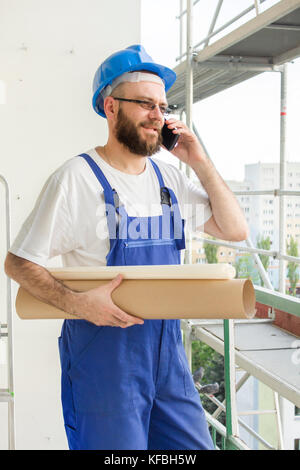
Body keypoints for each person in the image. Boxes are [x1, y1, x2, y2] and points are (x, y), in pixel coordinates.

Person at [4, 44, 249, 450]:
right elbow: (18, 264)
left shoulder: (169, 176)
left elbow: (235, 229)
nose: (159, 115)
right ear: (111, 106)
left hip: (167, 356)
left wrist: (199, 161)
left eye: (163, 106)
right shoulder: (75, 179)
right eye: (145, 104)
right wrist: (79, 304)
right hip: (105, 364)